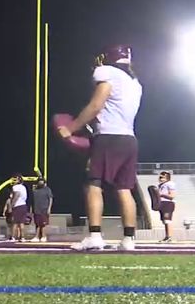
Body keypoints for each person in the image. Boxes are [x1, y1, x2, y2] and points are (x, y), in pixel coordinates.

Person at [58, 45, 142, 251]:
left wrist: (71, 128)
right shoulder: (135, 82)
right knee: (124, 189)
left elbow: (96, 105)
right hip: (129, 138)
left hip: (108, 137)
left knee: (93, 184)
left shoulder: (107, 72)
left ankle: (95, 236)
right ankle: (128, 240)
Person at [30, 178, 53, 242]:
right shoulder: (35, 190)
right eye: (39, 181)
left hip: (44, 209)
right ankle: (37, 237)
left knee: (43, 224)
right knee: (37, 224)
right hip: (36, 209)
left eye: (42, 181)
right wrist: (31, 209)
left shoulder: (47, 189)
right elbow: (32, 201)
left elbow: (50, 199)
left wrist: (49, 208)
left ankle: (44, 236)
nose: (40, 182)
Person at [156, 171, 176, 242]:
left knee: (167, 220)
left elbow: (172, 196)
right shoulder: (161, 185)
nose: (160, 178)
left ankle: (169, 237)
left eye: (162, 177)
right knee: (164, 221)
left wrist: (161, 194)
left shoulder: (170, 184)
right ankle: (167, 236)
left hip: (168, 203)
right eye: (160, 177)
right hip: (162, 203)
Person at [8, 174, 28, 242]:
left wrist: (11, 205)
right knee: (21, 223)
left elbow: (17, 195)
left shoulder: (16, 187)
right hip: (23, 205)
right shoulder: (23, 187)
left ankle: (13, 237)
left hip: (17, 206)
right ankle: (22, 237)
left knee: (15, 222)